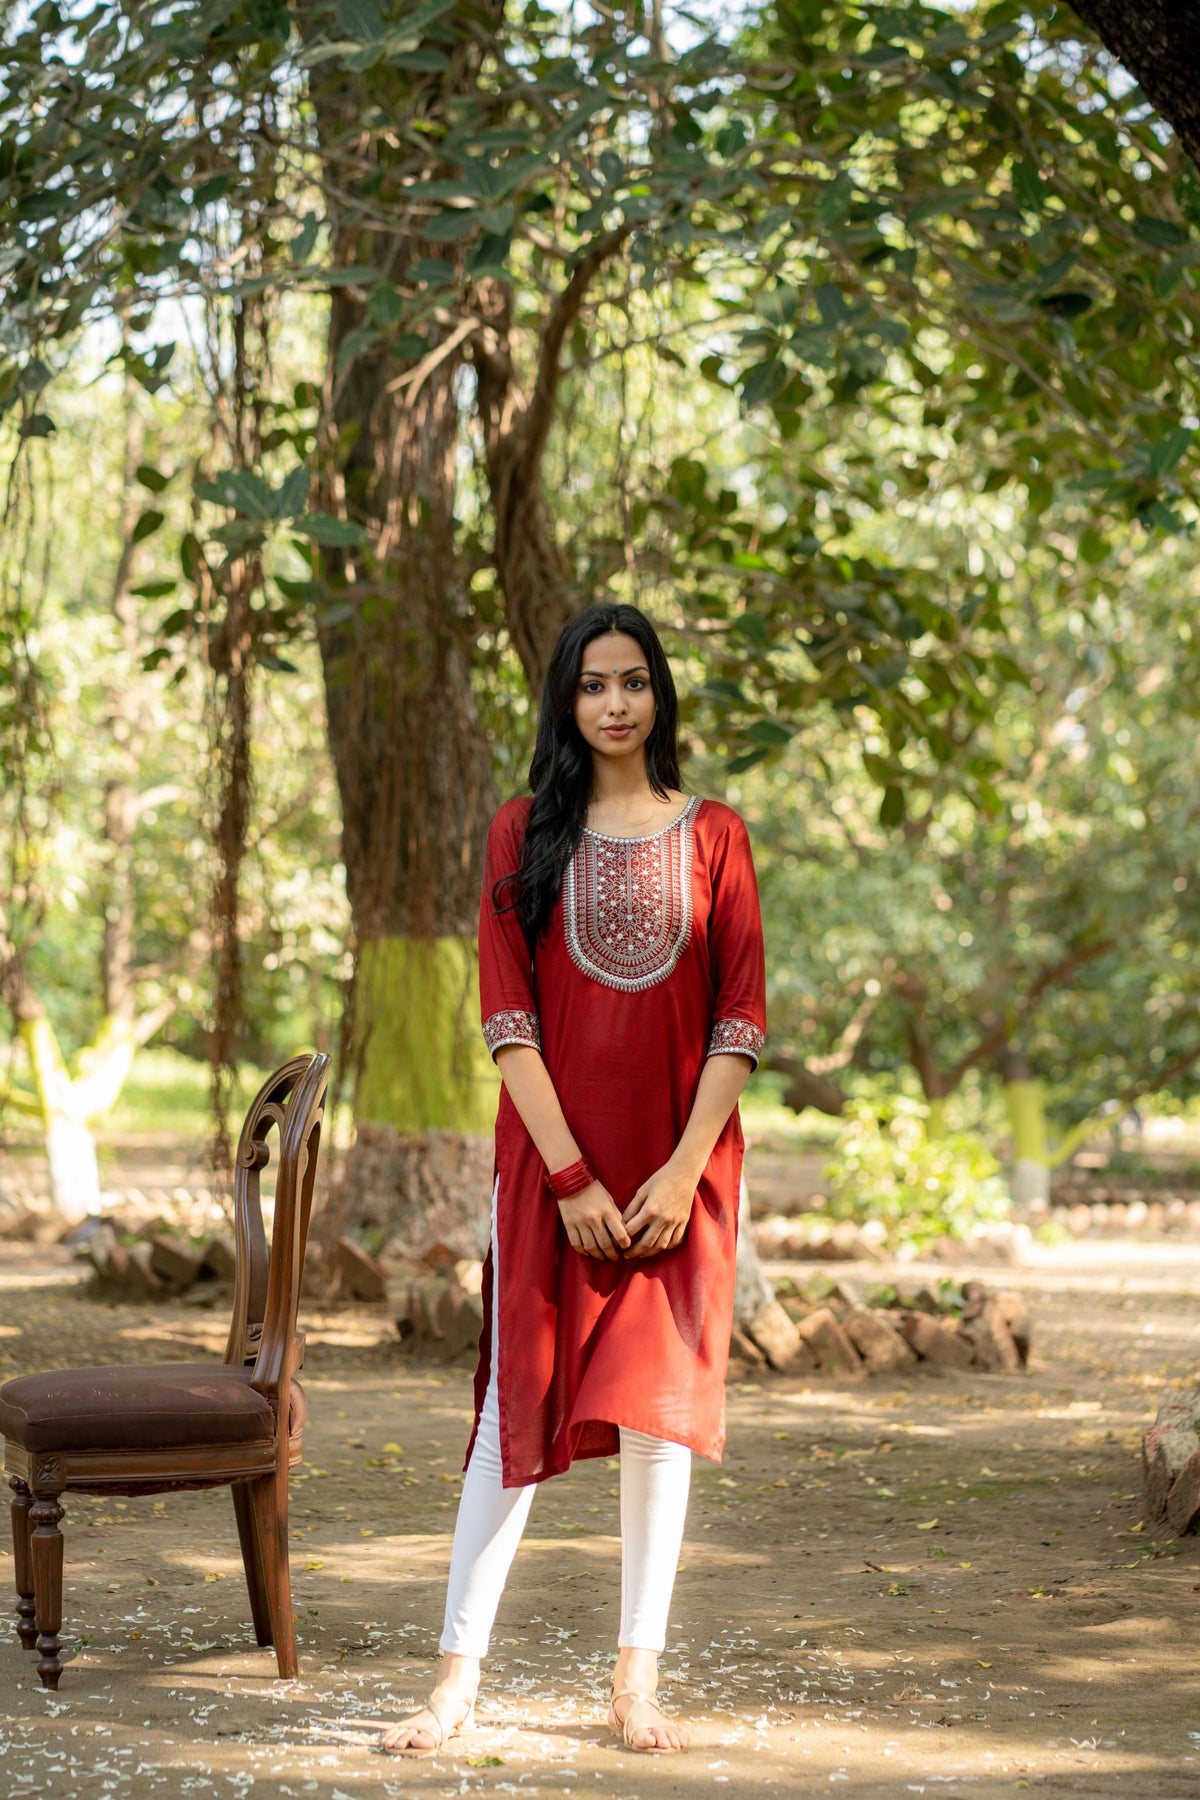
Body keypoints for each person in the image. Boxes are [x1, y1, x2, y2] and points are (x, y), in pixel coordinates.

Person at [380, 601, 767, 1757]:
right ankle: (455, 1682)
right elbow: (507, 1021)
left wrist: (680, 1173)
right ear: (565, 700)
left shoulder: (717, 838)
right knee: (515, 1413)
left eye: (634, 682)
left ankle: (635, 1683)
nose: (614, 703)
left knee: (658, 1426)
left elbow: (739, 1018)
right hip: (554, 1174)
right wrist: (572, 1180)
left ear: (661, 697)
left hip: (679, 1173)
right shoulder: (520, 834)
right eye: (593, 684)